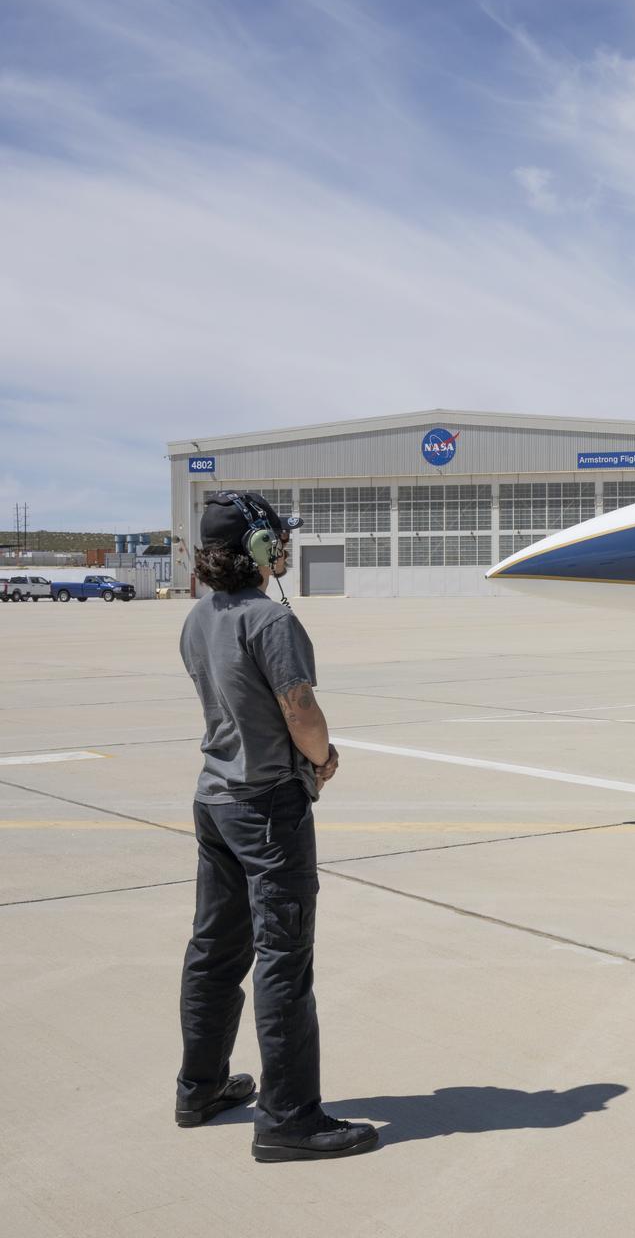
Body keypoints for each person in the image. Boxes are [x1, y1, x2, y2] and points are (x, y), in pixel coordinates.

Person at [175, 491, 378, 1162]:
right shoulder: (270, 621)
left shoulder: (199, 618)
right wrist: (323, 760)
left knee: (215, 950)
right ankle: (290, 1119)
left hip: (215, 802)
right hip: (266, 809)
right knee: (283, 961)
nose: (283, 547)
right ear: (258, 550)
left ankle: (199, 1088)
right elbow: (301, 712)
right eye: (276, 538)